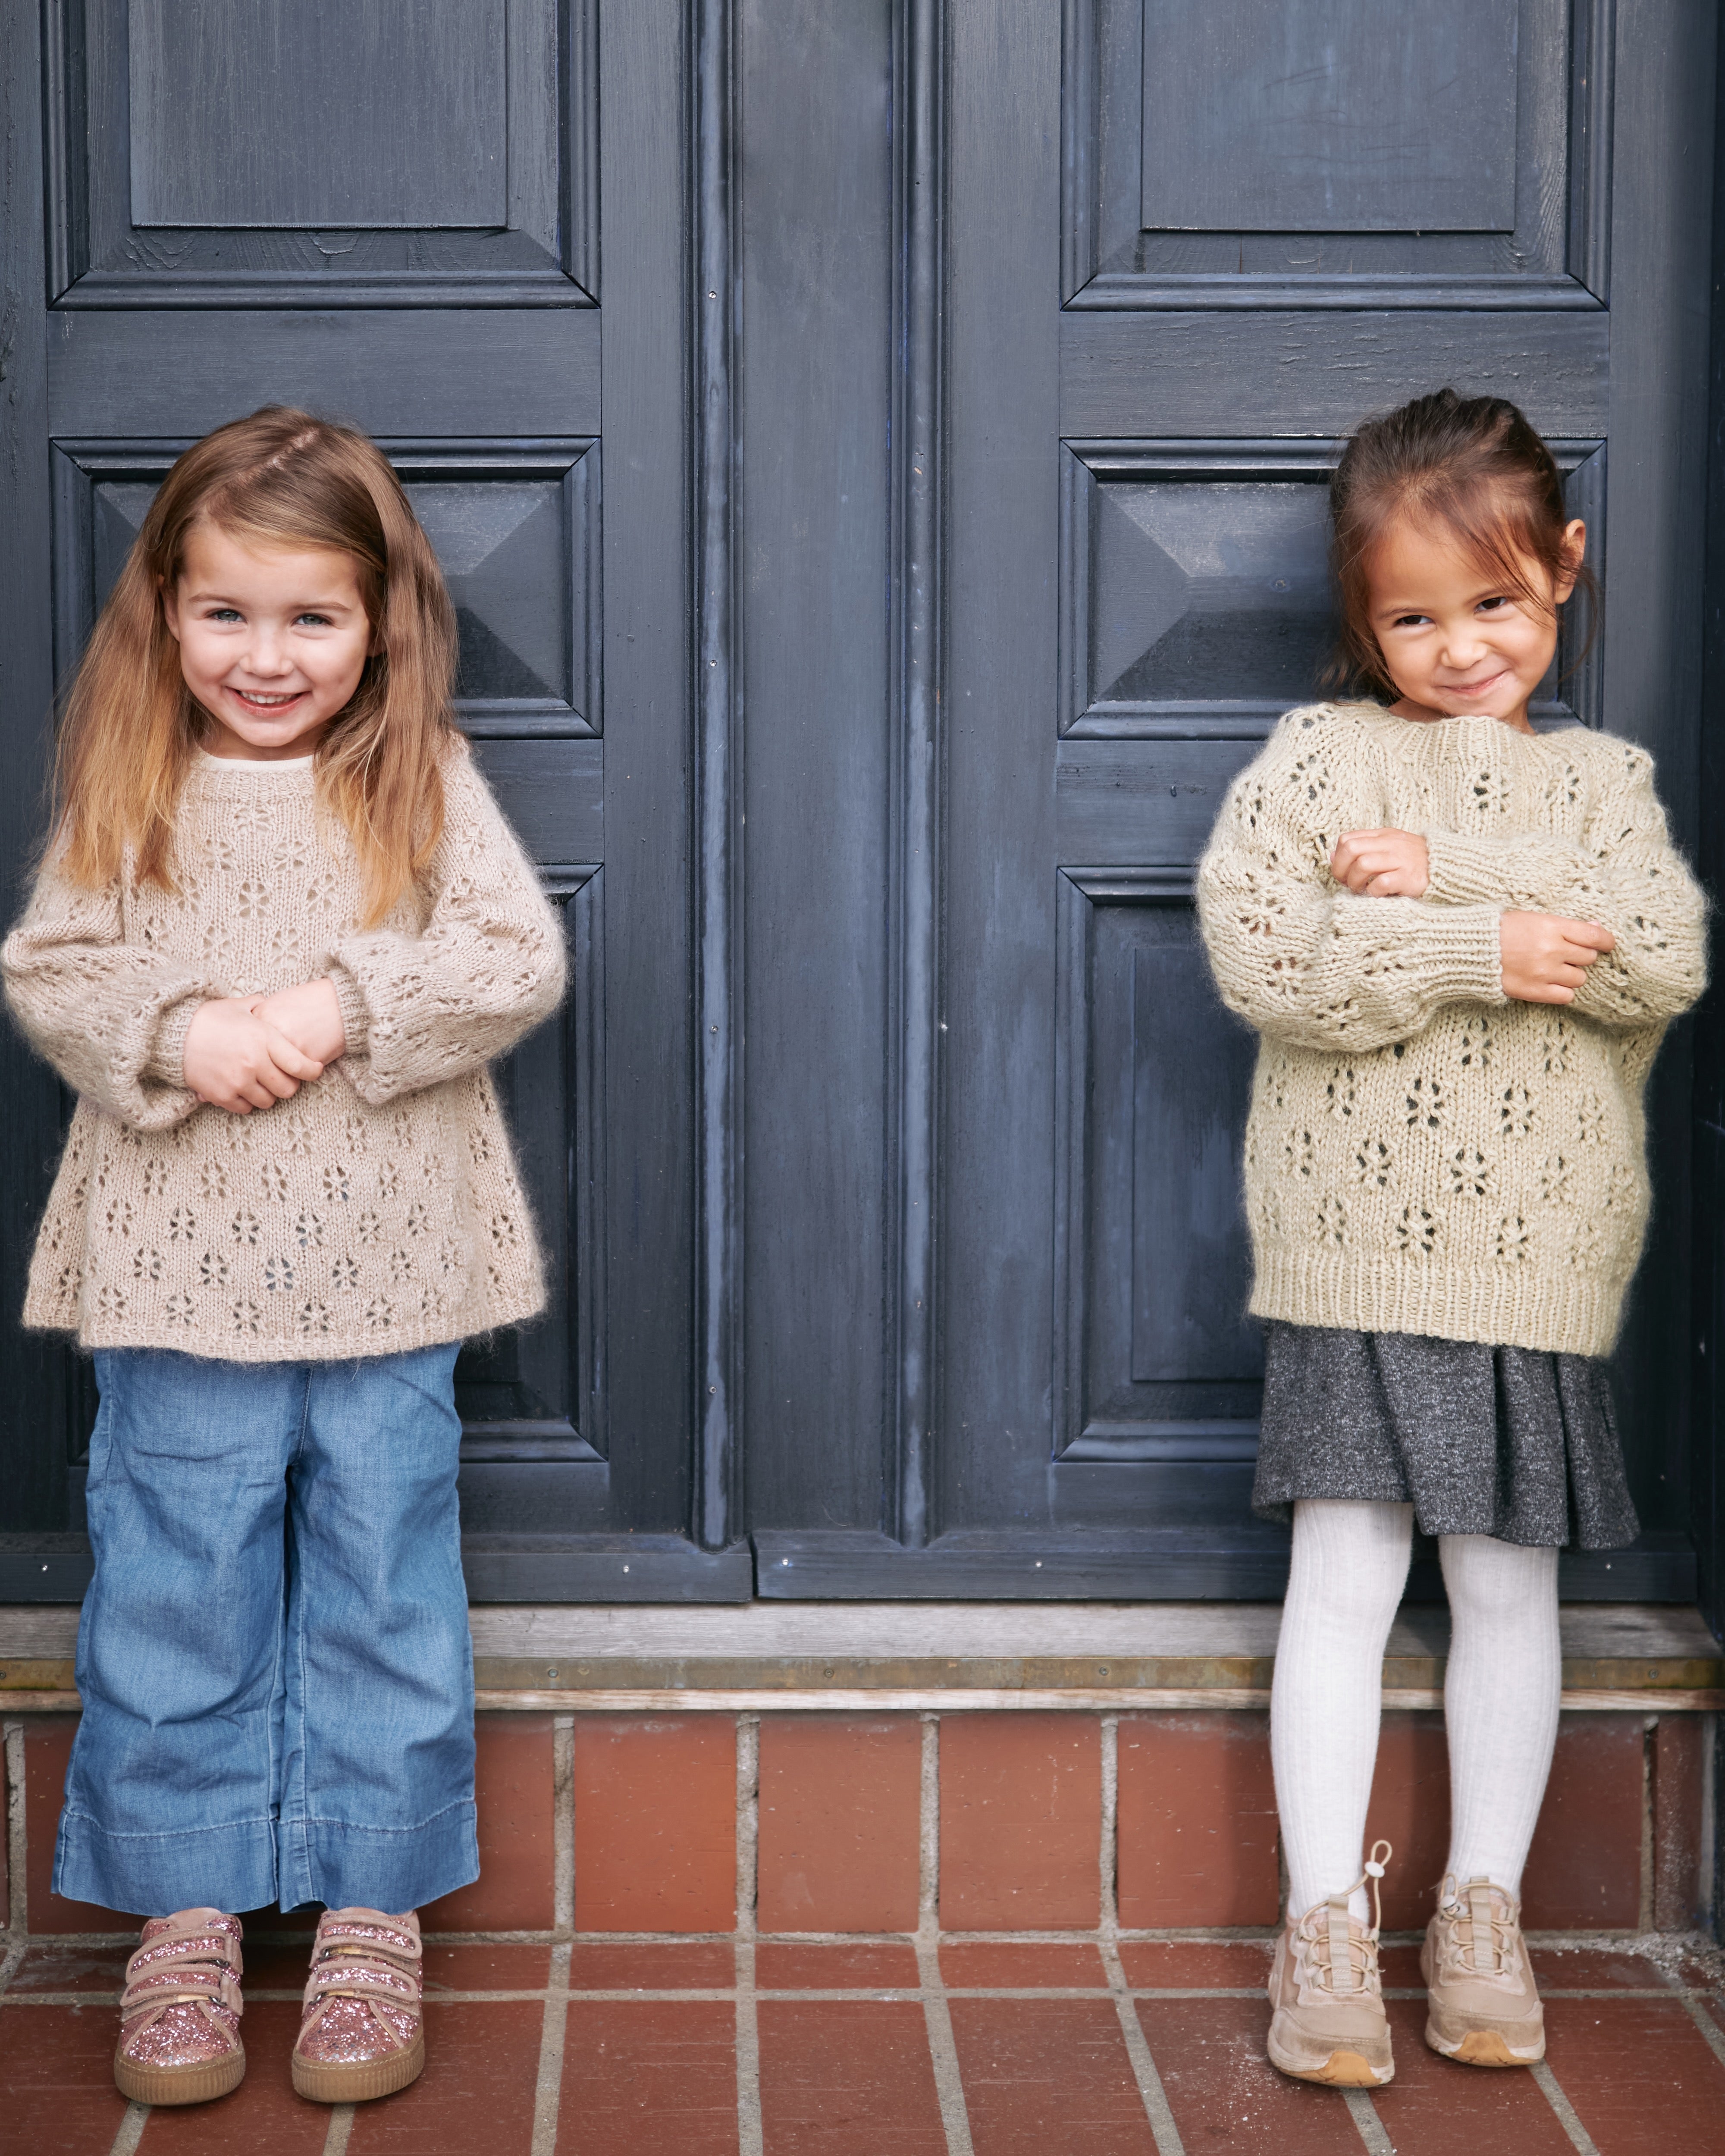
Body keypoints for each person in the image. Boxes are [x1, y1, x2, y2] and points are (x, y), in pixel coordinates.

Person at [2, 407, 565, 2107]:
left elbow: (511, 957)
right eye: (227, 613)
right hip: (178, 1276)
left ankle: (371, 1897)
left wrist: (342, 1004)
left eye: (312, 616)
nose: (267, 655)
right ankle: (182, 1903)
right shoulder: (132, 783)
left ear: (380, 622)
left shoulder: (418, 780)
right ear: (166, 612)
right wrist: (182, 1031)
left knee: (385, 1572)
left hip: (389, 1268)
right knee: (179, 1576)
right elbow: (53, 967)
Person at [1196, 388, 1706, 2087]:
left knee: (1504, 1579)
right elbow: (1268, 955)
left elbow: (1654, 957)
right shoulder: (1319, 761)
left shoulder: (1602, 787)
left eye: (1493, 600)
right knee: (1342, 1574)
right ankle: (1322, 1918)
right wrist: (1473, 951)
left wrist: (1457, 876)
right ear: (1364, 620)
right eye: (1411, 618)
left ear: (1563, 567)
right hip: (1356, 1245)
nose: (1459, 644)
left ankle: (1482, 1904)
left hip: (1535, 1251)